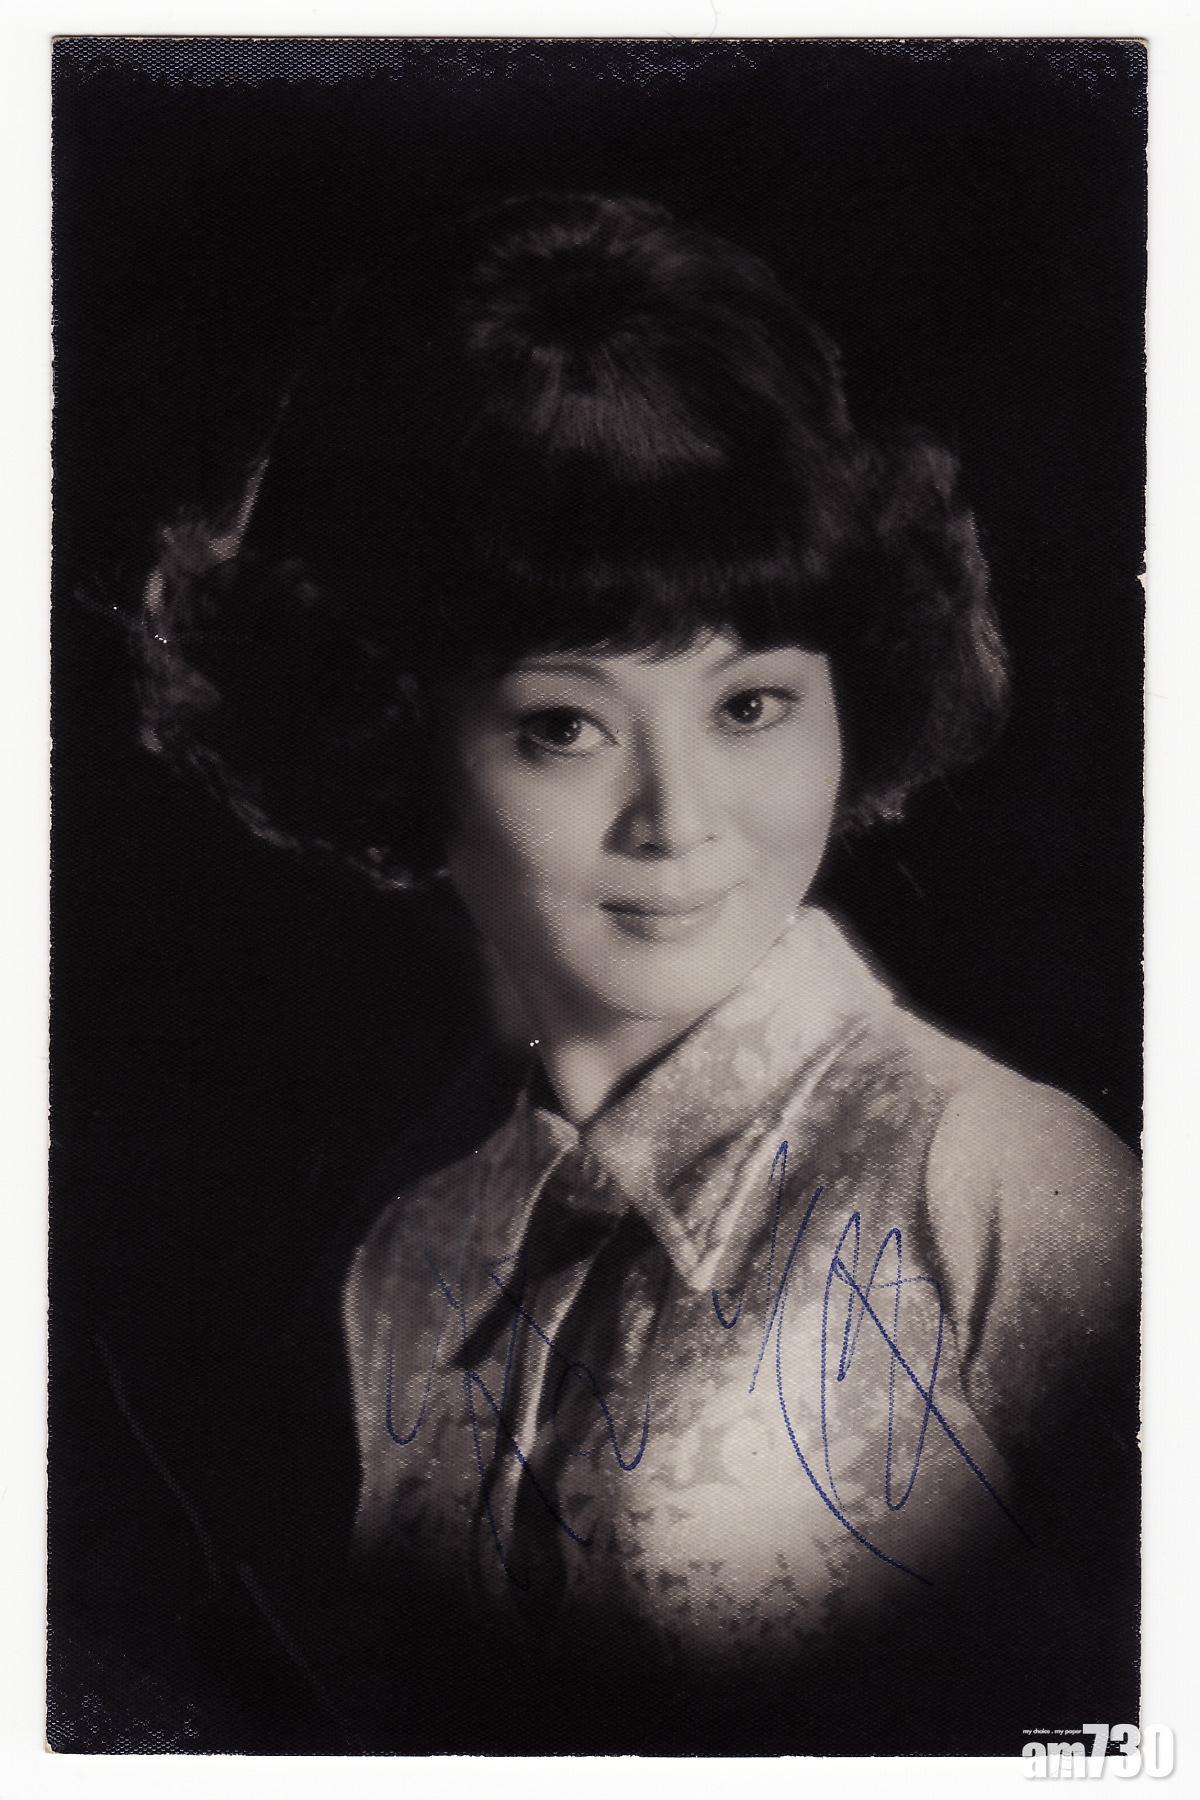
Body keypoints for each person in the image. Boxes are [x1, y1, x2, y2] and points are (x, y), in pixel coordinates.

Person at [129, 192, 1139, 1754]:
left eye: (750, 705)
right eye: (565, 725)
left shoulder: (1000, 1182)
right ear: (395, 736)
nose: (679, 821)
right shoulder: (409, 1264)